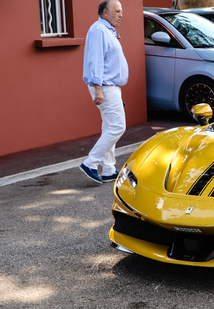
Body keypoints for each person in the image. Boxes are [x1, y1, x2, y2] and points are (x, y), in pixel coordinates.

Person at [80, 0, 128, 184]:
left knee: (109, 127)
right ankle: (90, 163)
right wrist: (98, 87)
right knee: (117, 126)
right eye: (117, 11)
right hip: (104, 87)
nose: (121, 14)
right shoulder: (99, 30)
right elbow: (96, 60)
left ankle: (108, 169)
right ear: (105, 12)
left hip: (110, 86)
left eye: (121, 11)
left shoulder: (107, 30)